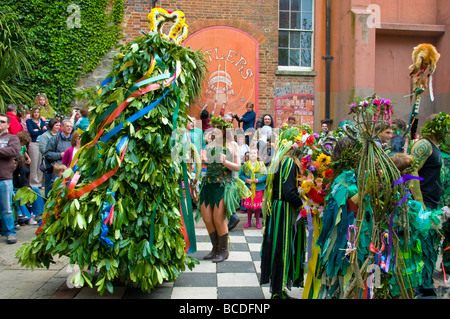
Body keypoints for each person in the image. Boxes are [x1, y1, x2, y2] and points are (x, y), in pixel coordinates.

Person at [260, 128, 306, 299]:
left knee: (278, 246)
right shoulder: (289, 163)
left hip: (277, 208)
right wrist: (302, 206)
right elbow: (288, 192)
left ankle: (279, 289)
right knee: (282, 247)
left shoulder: (281, 160)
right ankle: (278, 292)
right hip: (284, 210)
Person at [409, 112, 449, 297]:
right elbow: (411, 169)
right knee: (422, 246)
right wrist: (419, 201)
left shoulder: (435, 147)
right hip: (423, 206)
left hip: (432, 205)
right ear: (436, 127)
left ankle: (425, 284)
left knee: (431, 246)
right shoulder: (424, 145)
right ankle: (421, 287)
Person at [199, 116, 241, 262]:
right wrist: (201, 160)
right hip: (208, 184)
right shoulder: (209, 145)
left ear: (224, 130)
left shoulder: (232, 145)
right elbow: (208, 163)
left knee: (218, 219)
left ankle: (224, 251)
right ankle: (215, 248)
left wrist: (225, 161)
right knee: (207, 218)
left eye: (217, 128)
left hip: (223, 185)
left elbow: (237, 166)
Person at [0, 113, 21, 244]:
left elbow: (13, 151)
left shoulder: (12, 138)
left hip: (4, 177)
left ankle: (10, 232)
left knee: (7, 208)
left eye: (2, 121)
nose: (0, 123)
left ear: (7, 124)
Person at [239, 147, 267, 229]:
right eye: (251, 153)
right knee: (249, 207)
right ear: (248, 155)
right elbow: (241, 174)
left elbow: (265, 175)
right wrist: (246, 180)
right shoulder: (245, 165)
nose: (252, 155)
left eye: (254, 153)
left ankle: (258, 222)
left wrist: (258, 180)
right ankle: (248, 222)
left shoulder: (261, 164)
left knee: (257, 207)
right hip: (249, 188)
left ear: (257, 155)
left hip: (258, 188)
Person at [12, 155, 44, 225]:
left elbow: (24, 182)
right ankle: (27, 217)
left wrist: (27, 187)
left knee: (35, 190)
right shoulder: (8, 170)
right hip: (13, 189)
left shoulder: (23, 170)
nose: (14, 164)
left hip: (21, 188)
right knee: (18, 196)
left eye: (15, 163)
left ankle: (39, 213)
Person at [44, 119, 73, 193]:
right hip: (55, 171)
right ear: (62, 127)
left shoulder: (73, 140)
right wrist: (60, 155)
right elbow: (47, 154)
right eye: (67, 126)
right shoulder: (54, 139)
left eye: (70, 127)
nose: (69, 128)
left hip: (69, 171)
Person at [38, 118, 61, 197]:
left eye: (59, 125)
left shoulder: (60, 136)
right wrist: (58, 155)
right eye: (56, 125)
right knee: (49, 185)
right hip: (49, 164)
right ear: (51, 126)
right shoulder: (45, 136)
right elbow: (43, 150)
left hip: (60, 165)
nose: (58, 127)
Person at [26, 107, 47, 188]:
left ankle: (39, 183)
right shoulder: (29, 121)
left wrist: (38, 131)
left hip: (42, 143)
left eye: (38, 112)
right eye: (35, 112)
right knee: (34, 164)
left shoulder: (42, 121)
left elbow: (46, 131)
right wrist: (41, 130)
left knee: (40, 163)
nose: (36, 114)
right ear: (32, 113)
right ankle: (34, 183)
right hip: (34, 143)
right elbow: (32, 132)